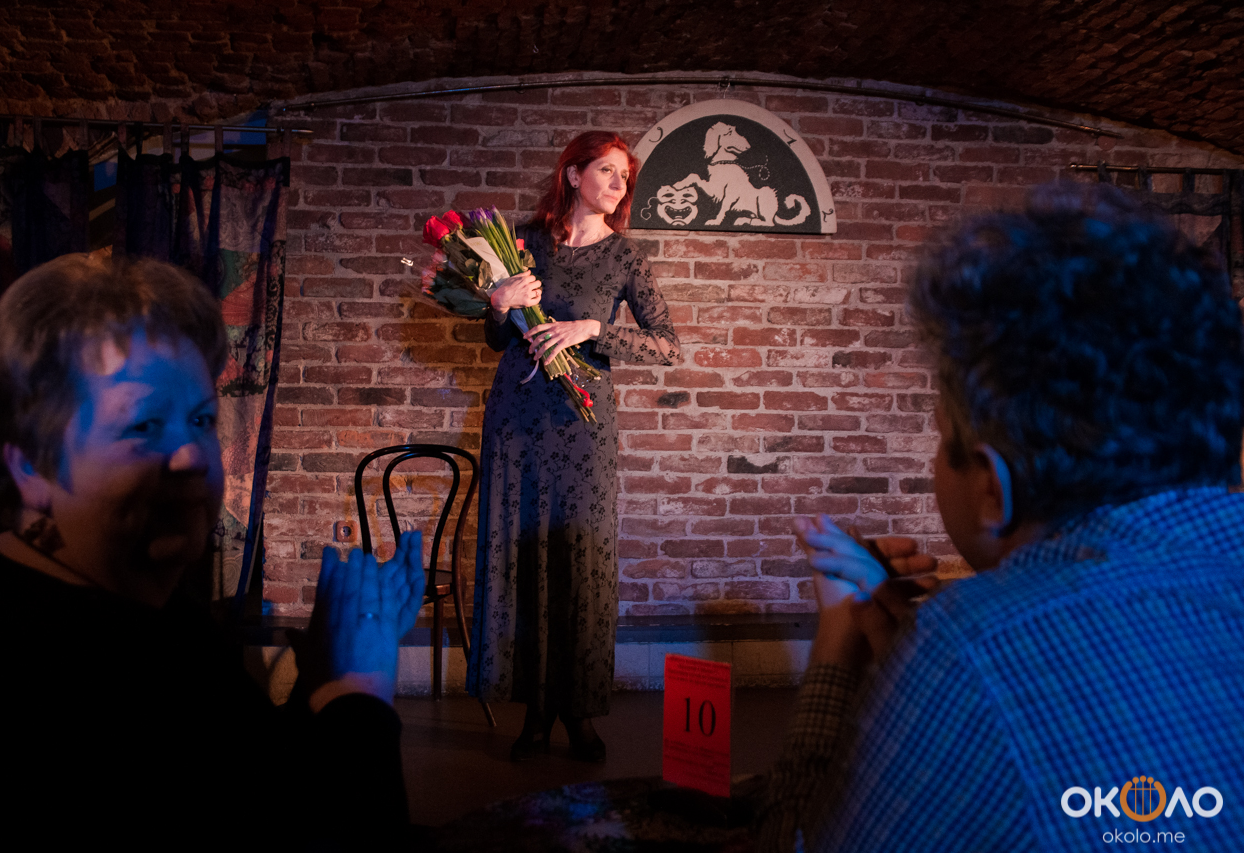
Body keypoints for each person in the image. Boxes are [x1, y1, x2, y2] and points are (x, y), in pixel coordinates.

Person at [757, 183, 1244, 851]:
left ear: (992, 486)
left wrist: (839, 648)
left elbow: (798, 840)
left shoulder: (976, 644)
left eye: (941, 434)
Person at [0, 254, 425, 849]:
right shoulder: (39, 666)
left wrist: (321, 678)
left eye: (201, 419)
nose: (190, 457)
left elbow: (265, 783)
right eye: (143, 425)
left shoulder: (151, 612)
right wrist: (360, 688)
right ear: (30, 463)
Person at [467, 131, 681, 762]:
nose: (618, 185)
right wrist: (498, 304)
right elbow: (495, 339)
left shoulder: (624, 256)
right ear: (572, 174)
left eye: (624, 178)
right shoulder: (522, 244)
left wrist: (594, 328)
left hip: (584, 426)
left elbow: (668, 345)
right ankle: (534, 713)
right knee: (525, 555)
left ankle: (579, 712)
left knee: (580, 559)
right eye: (608, 171)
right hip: (518, 419)